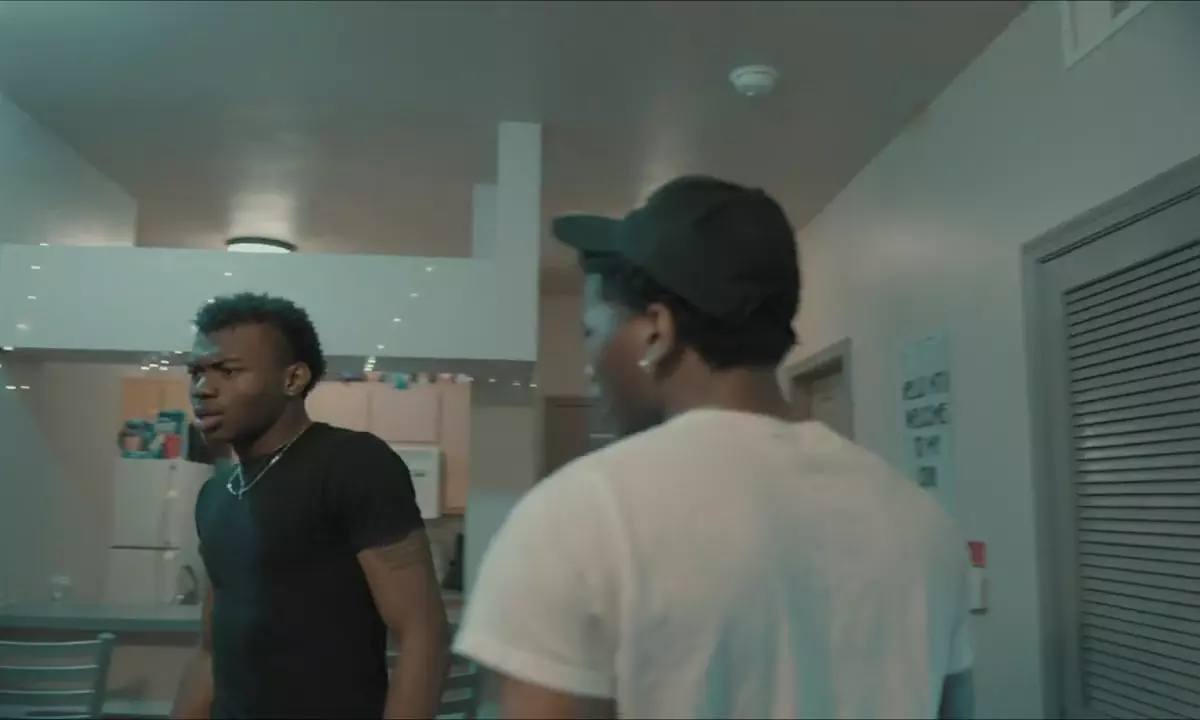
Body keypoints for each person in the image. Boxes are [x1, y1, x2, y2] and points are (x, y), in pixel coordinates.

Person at [452, 176, 974, 719]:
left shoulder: (579, 518)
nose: (591, 366)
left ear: (657, 331)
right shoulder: (923, 524)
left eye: (592, 332)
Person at [170, 293, 449, 719]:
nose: (203, 389)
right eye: (197, 372)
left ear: (293, 378)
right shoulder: (216, 494)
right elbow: (211, 651)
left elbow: (423, 635)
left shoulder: (352, 464)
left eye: (228, 371)